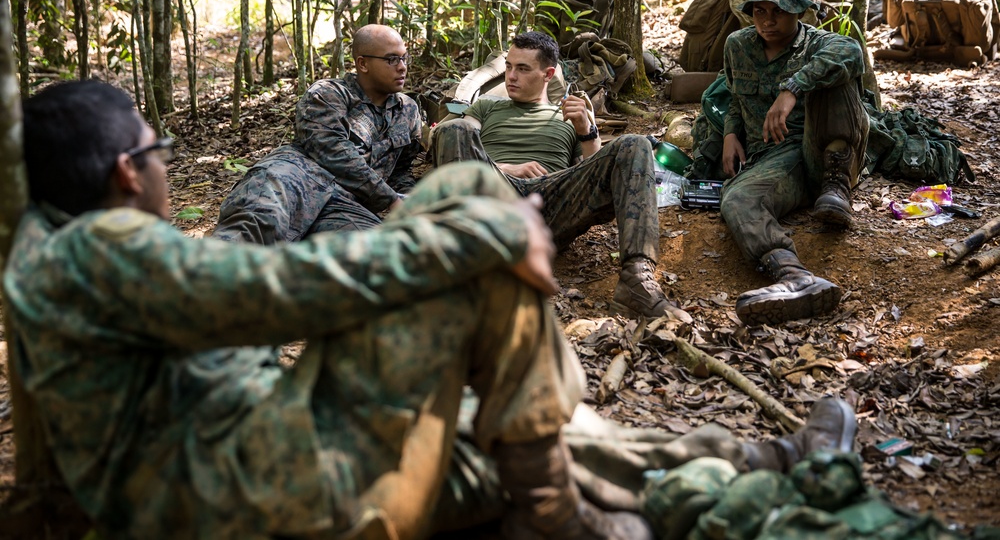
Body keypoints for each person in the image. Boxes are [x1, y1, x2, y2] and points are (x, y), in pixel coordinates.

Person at [5, 80, 860, 539]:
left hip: (268, 450)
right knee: (466, 222)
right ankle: (566, 510)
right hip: (273, 484)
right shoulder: (98, 246)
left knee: (508, 427)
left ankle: (762, 455)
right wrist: (480, 232)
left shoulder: (49, 248)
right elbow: (264, 293)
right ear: (126, 172)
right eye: (157, 151)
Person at [431, 31, 675, 321]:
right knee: (453, 129)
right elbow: (451, 142)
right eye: (509, 67)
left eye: (522, 69)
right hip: (492, 195)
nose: (511, 76)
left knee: (635, 144)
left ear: (548, 74)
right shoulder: (485, 106)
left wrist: (586, 128)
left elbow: (597, 175)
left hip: (550, 204)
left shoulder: (567, 118)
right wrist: (505, 168)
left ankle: (637, 280)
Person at [719, 0, 869, 325]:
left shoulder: (818, 43)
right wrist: (729, 133)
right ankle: (796, 277)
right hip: (772, 159)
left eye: (780, 11)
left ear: (800, 11)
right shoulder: (737, 46)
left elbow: (852, 52)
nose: (768, 20)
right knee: (737, 199)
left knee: (837, 74)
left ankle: (836, 186)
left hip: (818, 152)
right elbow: (735, 98)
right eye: (760, 11)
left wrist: (793, 88)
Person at [213, 24, 423, 244]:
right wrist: (389, 199)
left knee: (380, 251)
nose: (402, 67)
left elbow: (400, 171)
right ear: (363, 64)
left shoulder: (407, 111)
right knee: (252, 228)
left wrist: (415, 202)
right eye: (391, 59)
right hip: (295, 179)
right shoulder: (328, 94)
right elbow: (333, 153)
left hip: (345, 202)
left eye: (404, 58)